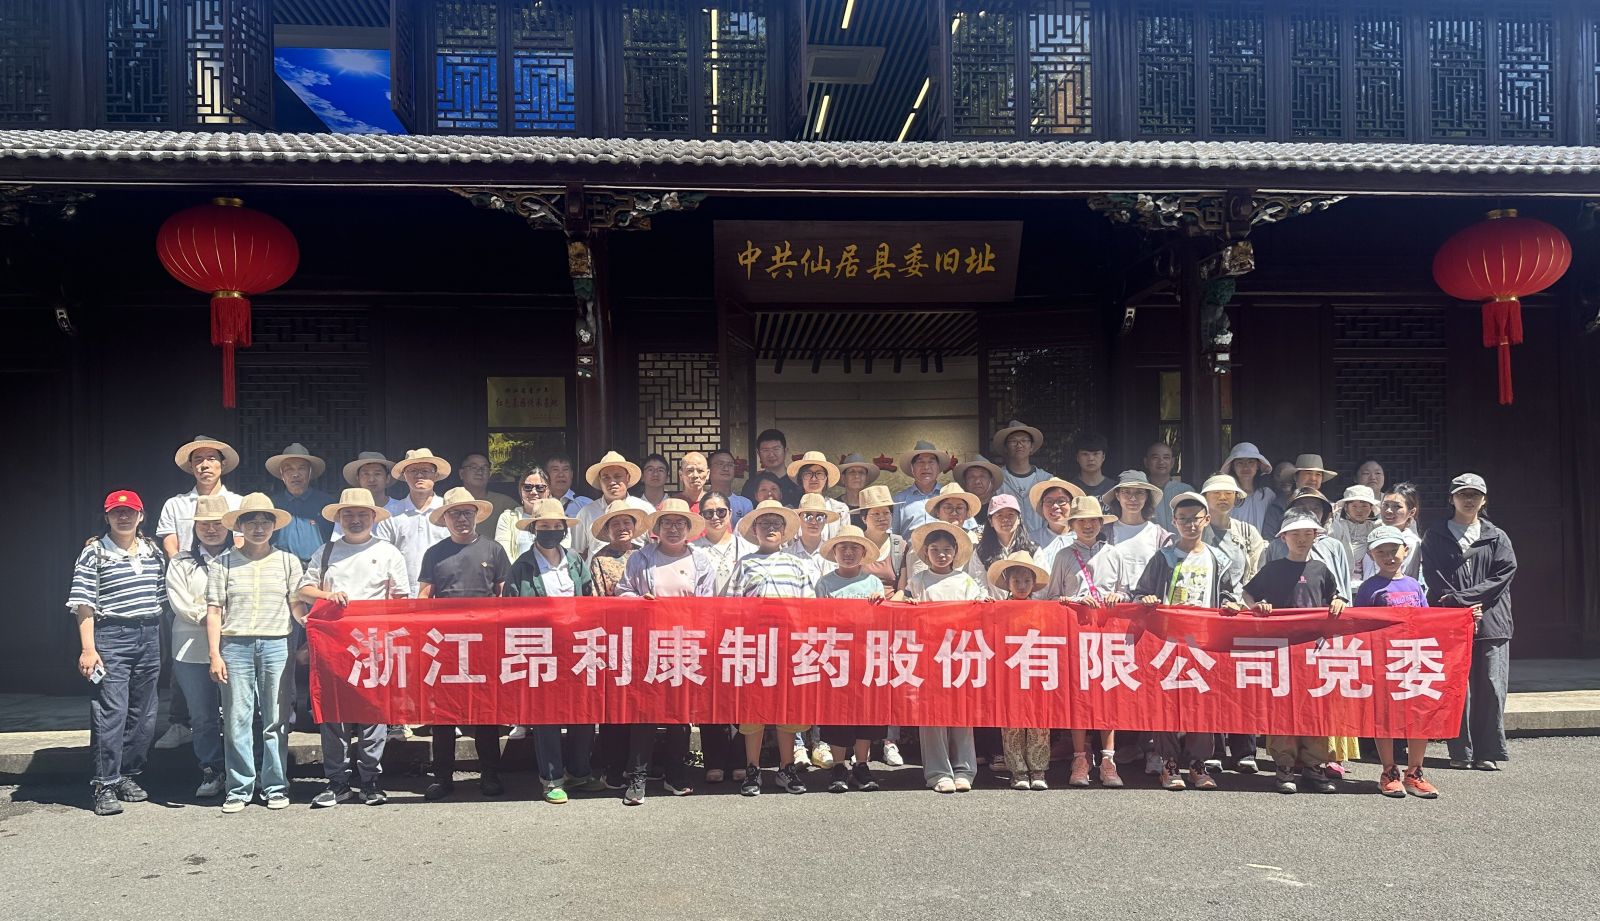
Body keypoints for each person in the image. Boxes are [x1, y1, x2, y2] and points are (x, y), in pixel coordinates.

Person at [298, 488, 409, 808]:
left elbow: (400, 598)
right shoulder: (327, 551)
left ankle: (370, 779)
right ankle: (337, 781)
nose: (356, 520)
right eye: (348, 514)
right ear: (339, 518)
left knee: (373, 713)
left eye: (362, 514)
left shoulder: (388, 552)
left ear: (373, 517)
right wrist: (327, 596)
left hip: (374, 644)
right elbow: (304, 589)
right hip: (334, 645)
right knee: (334, 713)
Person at [1133, 492, 1245, 791]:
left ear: (1206, 520)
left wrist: (1231, 604)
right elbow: (1140, 593)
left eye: (1195, 519)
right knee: (1167, 703)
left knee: (1203, 704)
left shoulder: (1218, 558)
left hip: (1204, 643)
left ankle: (1198, 764)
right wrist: (1147, 599)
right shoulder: (1164, 557)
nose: (1190, 524)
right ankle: (1169, 763)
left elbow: (1228, 594)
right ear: (1174, 522)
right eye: (1183, 519)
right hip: (1168, 642)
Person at [68, 489, 168, 816]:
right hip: (111, 636)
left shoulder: (153, 552)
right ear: (107, 516)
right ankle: (104, 783)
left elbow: (161, 598)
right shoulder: (95, 553)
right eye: (116, 512)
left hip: (149, 635)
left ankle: (127, 773)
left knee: (145, 712)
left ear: (141, 516)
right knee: (111, 711)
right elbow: (84, 604)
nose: (123, 517)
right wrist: (88, 649)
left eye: (130, 512)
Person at [206, 493, 305, 813]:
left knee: (275, 719)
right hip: (235, 646)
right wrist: (214, 654)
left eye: (265, 521)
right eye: (251, 521)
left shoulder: (288, 561)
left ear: (274, 526)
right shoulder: (223, 563)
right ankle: (239, 788)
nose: (259, 527)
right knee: (237, 719)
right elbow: (214, 611)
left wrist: (312, 625)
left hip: (277, 644)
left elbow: (296, 605)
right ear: (240, 526)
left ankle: (275, 785)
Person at [1242, 510, 1347, 795]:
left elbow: (1335, 597)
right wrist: (1256, 607)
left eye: (1307, 534)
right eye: (1295, 534)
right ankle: (1284, 766)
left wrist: (1338, 601)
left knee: (1316, 708)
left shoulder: (1321, 569)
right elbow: (1248, 593)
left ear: (1315, 536)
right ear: (1283, 538)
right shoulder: (1273, 568)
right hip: (1281, 650)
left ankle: (1314, 766)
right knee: (1283, 709)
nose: (1301, 539)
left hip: (1314, 650)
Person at [617, 497, 715, 802]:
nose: (673, 528)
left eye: (679, 523)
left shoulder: (701, 562)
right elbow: (622, 592)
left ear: (688, 528)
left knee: (679, 715)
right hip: (647, 645)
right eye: (667, 523)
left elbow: (708, 605)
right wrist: (639, 602)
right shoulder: (640, 559)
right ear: (657, 528)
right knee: (644, 714)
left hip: (685, 646)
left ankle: (676, 774)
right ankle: (637, 776)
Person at [416, 486, 511, 801]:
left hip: (484, 643)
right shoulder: (435, 553)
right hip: (444, 643)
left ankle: (490, 774)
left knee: (486, 712)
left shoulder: (493, 550)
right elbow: (424, 596)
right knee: (443, 714)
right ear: (445, 519)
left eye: (467, 513)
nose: (461, 519)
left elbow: (503, 595)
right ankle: (442, 777)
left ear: (476, 515)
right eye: (454, 514)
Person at [504, 498, 600, 804]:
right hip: (539, 648)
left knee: (583, 712)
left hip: (576, 647)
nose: (550, 531)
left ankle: (580, 771)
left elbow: (589, 600)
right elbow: (510, 610)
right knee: (546, 715)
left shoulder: (575, 562)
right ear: (534, 529)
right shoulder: (522, 566)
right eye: (544, 526)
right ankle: (551, 778)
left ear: (564, 530)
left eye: (556, 526)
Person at [1421, 473, 1516, 772]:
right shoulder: (1435, 534)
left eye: (1475, 494)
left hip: (1491, 621)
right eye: (1463, 494)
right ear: (1451, 499)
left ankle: (1488, 751)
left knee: (1491, 686)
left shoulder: (1497, 536)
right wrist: (1460, 604)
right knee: (1457, 688)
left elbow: (1503, 575)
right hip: (1450, 619)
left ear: (1484, 499)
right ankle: (1461, 751)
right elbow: (1433, 575)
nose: (1469, 499)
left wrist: (1467, 600)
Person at [154, 435, 243, 752]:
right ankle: (181, 723)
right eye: (198, 460)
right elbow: (171, 545)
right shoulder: (176, 503)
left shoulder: (238, 502)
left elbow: (242, 544)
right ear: (191, 467)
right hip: (189, 585)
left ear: (222, 464)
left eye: (211, 459)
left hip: (230, 591)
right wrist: (186, 572)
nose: (205, 465)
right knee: (187, 663)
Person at [727, 500, 814, 795]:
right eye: (764, 524)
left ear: (785, 530)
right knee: (753, 710)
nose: (770, 529)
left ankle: (786, 768)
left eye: (776, 524)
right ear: (755, 530)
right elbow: (732, 606)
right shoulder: (745, 564)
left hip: (788, 647)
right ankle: (752, 769)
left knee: (787, 709)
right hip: (755, 646)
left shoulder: (797, 565)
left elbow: (809, 607)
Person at [1039, 495, 1125, 788]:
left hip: (1107, 635)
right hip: (1075, 634)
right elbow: (1052, 598)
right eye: (1081, 521)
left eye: (1093, 521)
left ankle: (1108, 759)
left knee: (1107, 695)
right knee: (1079, 696)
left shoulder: (1114, 554)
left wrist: (1117, 596)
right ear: (1072, 525)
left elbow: (1127, 592)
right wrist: (1075, 600)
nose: (1088, 526)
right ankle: (1080, 758)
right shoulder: (1064, 556)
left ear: (1101, 523)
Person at [1355, 525, 1439, 799]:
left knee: (1418, 716)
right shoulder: (1369, 588)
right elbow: (1360, 625)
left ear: (1405, 550)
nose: (1389, 557)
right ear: (1371, 555)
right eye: (1382, 552)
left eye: (1394, 551)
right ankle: (1389, 771)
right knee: (1385, 717)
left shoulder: (1414, 585)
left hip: (1414, 658)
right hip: (1383, 662)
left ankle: (1415, 772)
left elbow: (1427, 620)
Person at [905, 521, 987, 793]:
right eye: (935, 549)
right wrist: (908, 605)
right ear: (925, 552)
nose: (941, 554)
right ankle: (938, 772)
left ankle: (964, 769)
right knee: (932, 715)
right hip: (927, 654)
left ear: (955, 552)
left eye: (947, 549)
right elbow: (902, 608)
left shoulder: (966, 582)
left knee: (962, 712)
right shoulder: (917, 581)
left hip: (960, 653)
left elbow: (979, 612)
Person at [163, 494, 229, 801]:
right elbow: (179, 602)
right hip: (190, 648)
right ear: (195, 528)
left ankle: (241, 769)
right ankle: (211, 769)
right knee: (202, 715)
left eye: (217, 524)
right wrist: (212, 617)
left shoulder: (240, 558)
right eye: (204, 525)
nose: (211, 530)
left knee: (238, 713)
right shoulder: (181, 562)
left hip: (233, 647)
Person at [815, 525, 887, 794]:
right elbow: (816, 619)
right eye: (842, 548)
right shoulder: (824, 583)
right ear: (834, 552)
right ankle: (838, 765)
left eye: (854, 548)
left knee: (865, 713)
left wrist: (880, 601)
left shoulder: (873, 583)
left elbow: (883, 618)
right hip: (835, 657)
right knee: (838, 713)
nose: (848, 553)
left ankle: (861, 764)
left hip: (867, 656)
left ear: (863, 552)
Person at [987, 551, 1054, 791]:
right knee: (1012, 722)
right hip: (1009, 671)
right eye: (1016, 580)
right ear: (1007, 582)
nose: (1022, 586)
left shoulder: (1045, 608)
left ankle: (1038, 769)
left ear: (1034, 583)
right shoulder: (997, 608)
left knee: (1039, 721)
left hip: (1037, 669)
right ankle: (1017, 771)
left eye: (1027, 580)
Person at [372, 448, 451, 597]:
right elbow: (382, 556)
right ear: (404, 475)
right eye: (413, 471)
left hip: (444, 592)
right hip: (402, 594)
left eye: (425, 470)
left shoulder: (448, 510)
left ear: (436, 474)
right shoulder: (391, 513)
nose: (419, 475)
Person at [572, 451, 655, 561]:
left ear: (628, 478)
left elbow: (656, 548)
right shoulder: (586, 513)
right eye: (606, 477)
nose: (612, 482)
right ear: (600, 480)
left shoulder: (645, 509)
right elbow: (578, 553)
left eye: (617, 476)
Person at [1102, 470, 1174, 593]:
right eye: (1126, 492)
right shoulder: (1104, 533)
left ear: (1146, 496)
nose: (1133, 498)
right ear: (1117, 495)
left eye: (1139, 492)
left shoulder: (1160, 536)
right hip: (1113, 602)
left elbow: (1167, 574)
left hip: (1148, 601)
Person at [264, 443, 334, 563]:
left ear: (310, 472)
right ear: (281, 474)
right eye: (289, 469)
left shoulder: (327, 503)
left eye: (301, 468)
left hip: (317, 567)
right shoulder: (271, 504)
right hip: (279, 566)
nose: (295, 474)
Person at [992, 419, 1055, 544]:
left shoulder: (1046, 479)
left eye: (1024, 441)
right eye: (1013, 441)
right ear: (1005, 448)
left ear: (1031, 447)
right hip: (1006, 544)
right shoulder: (997, 478)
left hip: (1042, 544)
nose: (1019, 445)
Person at [1201, 473, 1268, 584]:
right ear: (1205, 497)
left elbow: (1257, 574)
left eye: (1228, 493)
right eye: (1216, 493)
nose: (1222, 497)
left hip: (1239, 595)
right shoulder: (1195, 530)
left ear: (1236, 497)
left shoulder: (1248, 532)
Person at [1364, 482, 1425, 584]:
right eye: (1385, 505)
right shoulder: (1372, 533)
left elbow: (1408, 576)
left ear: (1411, 512)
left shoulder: (1411, 542)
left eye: (1397, 506)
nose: (1388, 510)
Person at [974, 493, 1038, 589]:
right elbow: (978, 585)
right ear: (991, 521)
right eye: (999, 515)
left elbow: (1041, 586)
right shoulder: (981, 552)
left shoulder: (1033, 550)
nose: (1005, 519)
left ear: (1019, 519)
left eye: (1011, 514)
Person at [587, 500, 647, 598]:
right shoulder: (599, 560)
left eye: (627, 522)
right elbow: (597, 597)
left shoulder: (643, 554)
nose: (622, 528)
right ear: (607, 530)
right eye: (615, 524)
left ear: (634, 526)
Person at [891, 440, 950, 538]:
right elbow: (893, 536)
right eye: (920, 462)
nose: (926, 467)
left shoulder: (950, 496)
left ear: (938, 468)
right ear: (912, 468)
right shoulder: (899, 500)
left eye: (931, 462)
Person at [1329, 484, 1381, 595]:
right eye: (1354, 506)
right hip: (1341, 584)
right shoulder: (1337, 526)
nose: (1359, 510)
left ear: (1371, 508)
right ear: (1346, 507)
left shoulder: (1376, 528)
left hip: (1369, 585)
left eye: (1364, 506)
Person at [787, 451, 850, 539]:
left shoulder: (840, 509)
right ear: (801, 478)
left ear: (826, 478)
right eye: (808, 474)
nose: (813, 479)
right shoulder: (790, 511)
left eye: (819, 474)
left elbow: (845, 541)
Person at [1029, 477, 1086, 575]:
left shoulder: (1084, 539)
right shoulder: (1032, 540)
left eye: (1061, 501)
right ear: (1042, 506)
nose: (1055, 506)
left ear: (1072, 505)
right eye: (1049, 501)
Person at [494, 467, 551, 563]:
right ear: (521, 490)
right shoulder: (507, 518)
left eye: (540, 487)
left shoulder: (559, 519)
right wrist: (520, 571)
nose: (533, 492)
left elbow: (562, 553)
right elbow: (503, 556)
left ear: (548, 491)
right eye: (527, 487)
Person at [459, 453, 517, 540]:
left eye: (484, 468)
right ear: (461, 473)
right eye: (473, 467)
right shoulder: (450, 502)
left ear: (489, 474)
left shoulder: (504, 503)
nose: (479, 472)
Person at [785, 492, 840, 584]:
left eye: (820, 517)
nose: (814, 522)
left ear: (825, 521)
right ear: (799, 519)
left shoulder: (836, 556)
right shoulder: (785, 556)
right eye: (808, 516)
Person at [1218, 442, 1274, 533]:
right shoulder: (1227, 496)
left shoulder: (1267, 495)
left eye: (1251, 462)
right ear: (1233, 467)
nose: (1245, 467)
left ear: (1257, 465)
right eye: (1240, 463)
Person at [740, 429, 802, 506]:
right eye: (766, 450)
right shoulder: (751, 484)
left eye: (776, 449)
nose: (771, 454)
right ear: (758, 453)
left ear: (785, 451)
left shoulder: (798, 482)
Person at [1142, 441, 1192, 531]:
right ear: (1146, 462)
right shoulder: (1140, 491)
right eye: (1155, 457)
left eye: (1166, 457)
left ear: (1172, 462)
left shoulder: (1186, 491)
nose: (1161, 462)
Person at [954, 457, 1002, 534]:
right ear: (964, 481)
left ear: (992, 481)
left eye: (982, 476)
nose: (977, 481)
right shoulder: (957, 509)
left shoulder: (1001, 509)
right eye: (971, 477)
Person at [707, 449, 754, 525]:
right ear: (708, 469)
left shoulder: (745, 504)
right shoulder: (701, 501)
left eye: (730, 465)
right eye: (720, 464)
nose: (726, 468)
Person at [1066, 432, 1112, 499]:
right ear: (1077, 457)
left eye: (1096, 454)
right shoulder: (1069, 488)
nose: (1091, 459)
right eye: (1085, 454)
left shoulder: (1114, 488)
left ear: (1103, 457)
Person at [1261, 460, 1299, 540]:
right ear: (1272, 477)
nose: (1286, 480)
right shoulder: (1264, 499)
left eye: (1291, 476)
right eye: (1279, 475)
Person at [546, 454, 593, 518]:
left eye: (565, 469)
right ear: (546, 475)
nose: (561, 475)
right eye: (555, 470)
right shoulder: (539, 503)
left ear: (571, 474)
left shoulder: (586, 505)